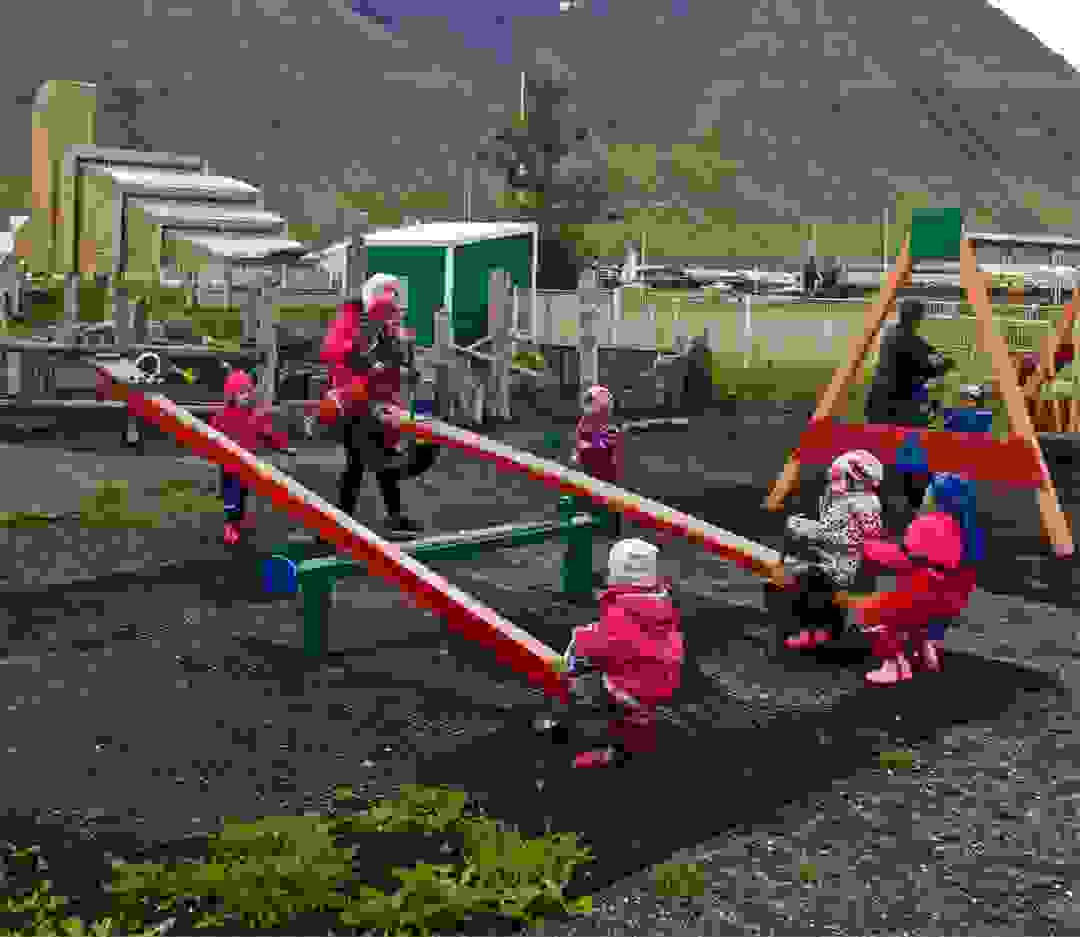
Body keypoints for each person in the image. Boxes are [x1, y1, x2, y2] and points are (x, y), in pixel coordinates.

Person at [550, 538, 684, 769]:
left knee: (575, 682)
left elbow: (602, 646)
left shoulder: (621, 613)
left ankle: (577, 736)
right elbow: (629, 640)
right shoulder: (660, 603)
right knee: (630, 703)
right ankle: (636, 728)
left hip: (635, 685)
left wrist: (580, 638)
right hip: (665, 675)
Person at [318, 273, 434, 537]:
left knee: (380, 461)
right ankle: (345, 521)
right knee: (357, 463)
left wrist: (401, 368)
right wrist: (366, 361)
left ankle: (390, 517)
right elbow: (334, 351)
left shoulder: (384, 321)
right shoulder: (351, 318)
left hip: (379, 402)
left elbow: (393, 358)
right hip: (353, 402)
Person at [857, 511, 977, 686]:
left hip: (924, 603)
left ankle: (895, 666)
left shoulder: (920, 564)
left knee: (873, 613)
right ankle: (924, 655)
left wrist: (863, 545)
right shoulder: (953, 565)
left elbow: (894, 557)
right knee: (915, 618)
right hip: (944, 606)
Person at [781, 450, 885, 651]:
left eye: (839, 477)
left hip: (840, 567)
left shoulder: (848, 503)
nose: (834, 483)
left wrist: (798, 525)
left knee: (803, 579)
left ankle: (812, 631)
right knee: (810, 575)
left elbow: (826, 532)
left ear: (853, 479)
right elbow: (861, 536)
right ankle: (828, 629)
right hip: (853, 566)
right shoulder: (870, 501)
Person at [864, 299, 956, 514]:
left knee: (883, 451)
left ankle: (877, 498)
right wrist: (946, 363)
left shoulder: (893, 334)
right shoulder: (909, 340)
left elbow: (926, 353)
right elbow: (931, 366)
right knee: (912, 450)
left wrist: (937, 359)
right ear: (918, 318)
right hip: (896, 405)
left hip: (879, 403)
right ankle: (914, 500)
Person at [209, 369, 295, 545]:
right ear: (231, 395)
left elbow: (267, 434)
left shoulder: (254, 415)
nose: (246, 396)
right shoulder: (222, 416)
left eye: (248, 392)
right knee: (231, 495)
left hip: (247, 464)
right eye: (241, 393)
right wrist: (215, 452)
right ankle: (230, 525)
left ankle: (237, 522)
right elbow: (212, 437)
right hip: (229, 465)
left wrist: (282, 447)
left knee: (242, 494)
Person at [915, 472, 984, 672]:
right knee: (950, 600)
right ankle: (929, 640)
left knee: (934, 597)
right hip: (966, 550)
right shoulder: (966, 481)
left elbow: (924, 515)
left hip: (943, 549)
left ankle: (926, 641)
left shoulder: (939, 484)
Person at [572, 384, 625, 538]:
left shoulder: (609, 424)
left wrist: (591, 445)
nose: (589, 408)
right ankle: (593, 526)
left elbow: (609, 442)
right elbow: (581, 440)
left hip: (605, 468)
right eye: (588, 403)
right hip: (589, 466)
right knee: (589, 496)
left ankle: (611, 529)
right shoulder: (584, 422)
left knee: (608, 498)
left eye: (592, 403)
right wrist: (579, 450)